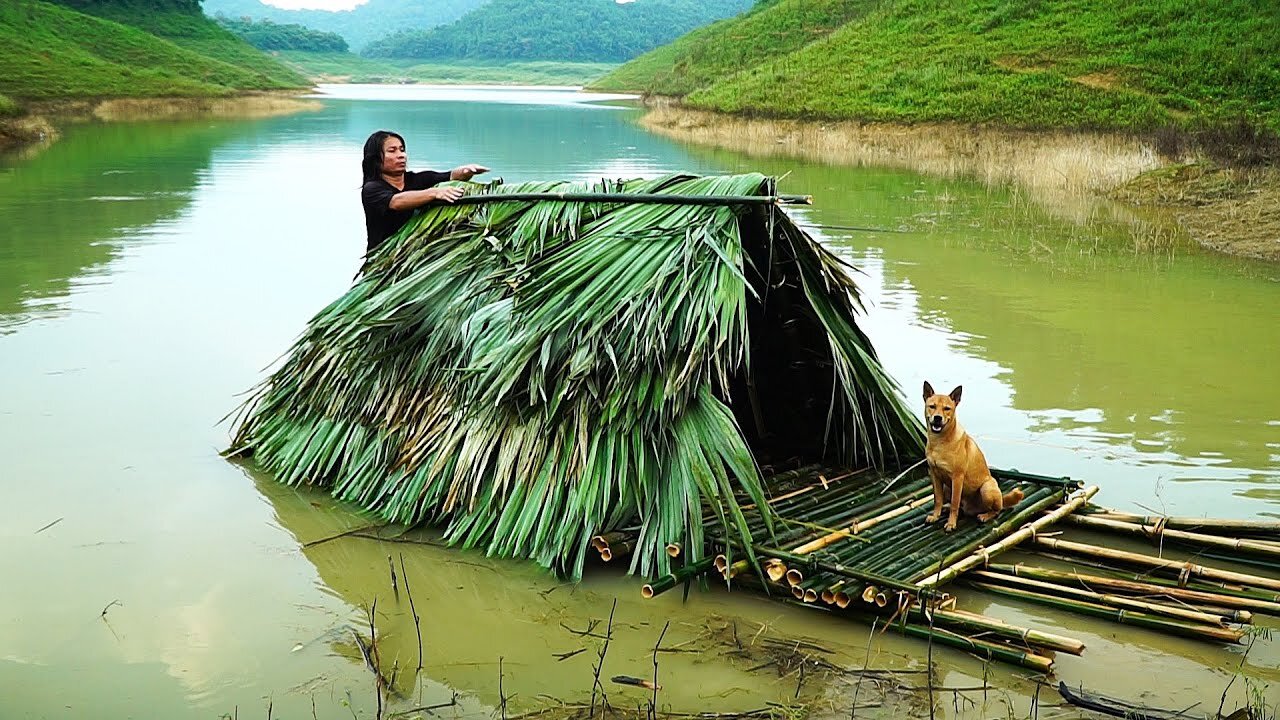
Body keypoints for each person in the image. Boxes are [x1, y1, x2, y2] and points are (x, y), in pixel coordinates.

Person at [360, 130, 489, 253]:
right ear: (375, 159)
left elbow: (450, 176)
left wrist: (466, 171)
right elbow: (396, 201)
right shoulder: (372, 188)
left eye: (402, 150)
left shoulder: (418, 179)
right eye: (392, 151)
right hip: (384, 260)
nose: (401, 155)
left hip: (416, 254)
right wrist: (434, 193)